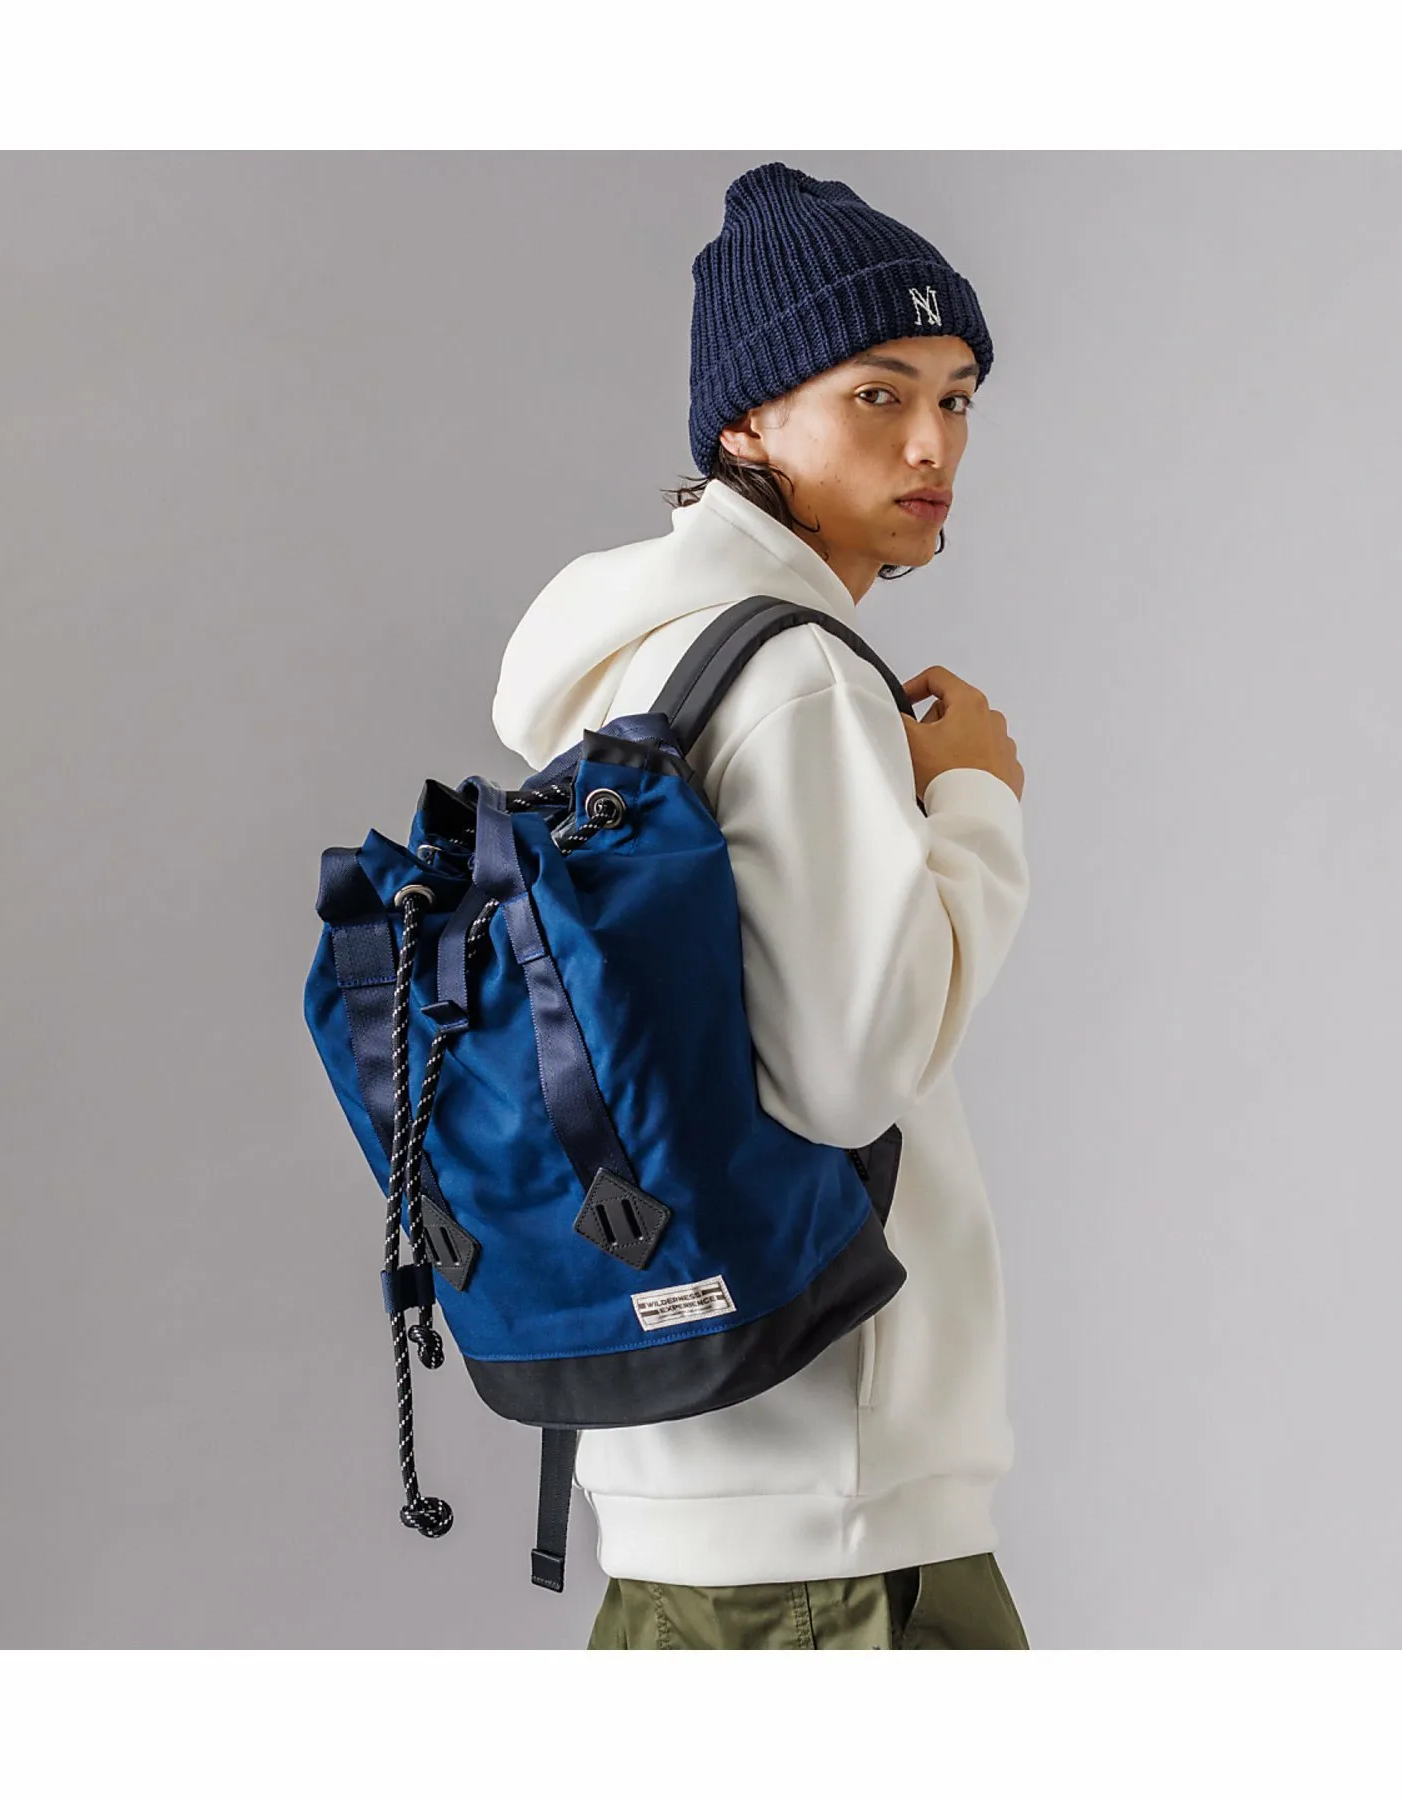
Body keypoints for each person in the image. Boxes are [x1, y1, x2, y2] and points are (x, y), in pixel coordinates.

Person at [492, 161, 1031, 1650]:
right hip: (833, 1516)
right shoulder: (795, 675)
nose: (932, 442)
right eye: (876, 394)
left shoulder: (636, 662)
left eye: (958, 396)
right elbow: (850, 1072)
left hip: (698, 1458)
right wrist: (978, 805)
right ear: (746, 422)